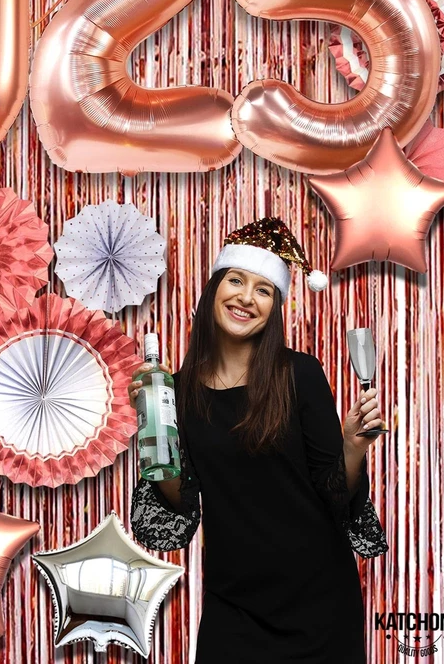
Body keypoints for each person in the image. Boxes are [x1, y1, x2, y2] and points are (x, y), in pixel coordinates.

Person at [128, 218, 387, 664]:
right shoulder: (178, 391)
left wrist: (353, 446)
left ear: (274, 307)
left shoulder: (299, 375)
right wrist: (155, 429)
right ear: (214, 290)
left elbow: (336, 495)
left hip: (319, 602)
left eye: (263, 289)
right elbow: (180, 504)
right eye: (236, 281)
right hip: (234, 605)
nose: (246, 297)